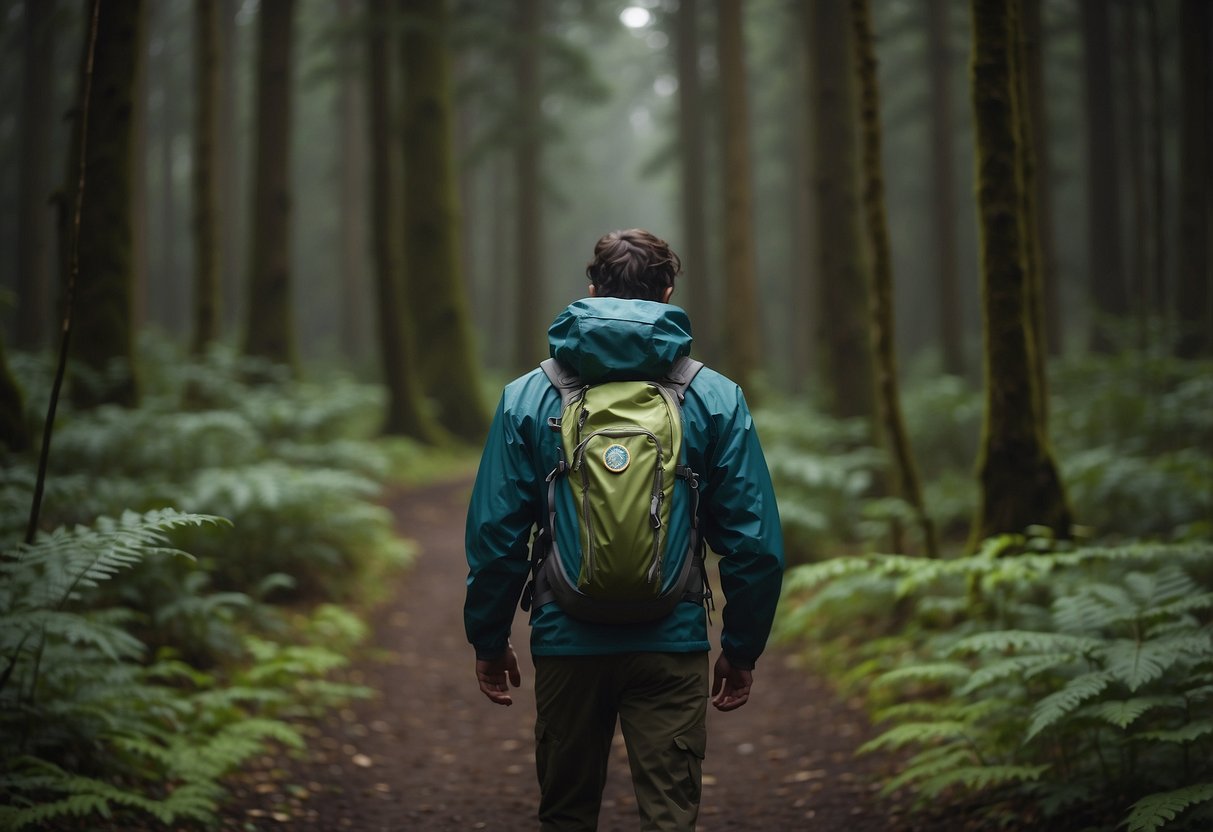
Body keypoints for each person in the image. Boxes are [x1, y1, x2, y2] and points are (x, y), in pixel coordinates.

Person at [464, 228, 784, 831]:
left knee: (566, 814)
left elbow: (496, 538)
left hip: (565, 635)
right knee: (669, 818)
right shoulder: (713, 396)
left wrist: (488, 637)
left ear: (591, 290)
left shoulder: (528, 397)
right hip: (673, 638)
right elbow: (753, 542)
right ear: (667, 292)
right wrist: (741, 650)